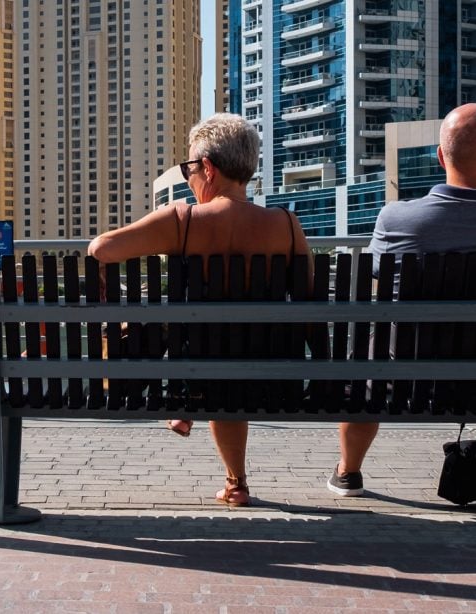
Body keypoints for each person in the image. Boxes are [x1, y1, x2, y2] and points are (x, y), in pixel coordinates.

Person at [327, 103, 476, 505]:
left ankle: (348, 471)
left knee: (366, 359)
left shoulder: (396, 219)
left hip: (400, 380)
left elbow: (378, 276)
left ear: (440, 156)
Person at [88, 113, 311, 507]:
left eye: (189, 167)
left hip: (197, 370)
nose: (188, 177)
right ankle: (234, 481)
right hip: (270, 377)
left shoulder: (183, 220)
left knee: (199, 338)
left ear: (208, 168)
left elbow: (102, 248)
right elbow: (309, 291)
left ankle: (186, 403)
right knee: (228, 361)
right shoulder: (287, 225)